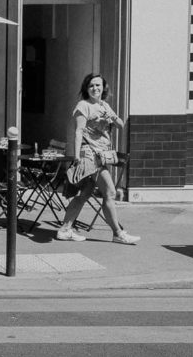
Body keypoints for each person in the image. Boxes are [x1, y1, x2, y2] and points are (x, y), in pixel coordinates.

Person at [56, 73, 139, 245]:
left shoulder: (105, 106)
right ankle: (118, 233)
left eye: (98, 85)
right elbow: (78, 131)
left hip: (101, 155)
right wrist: (77, 155)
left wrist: (112, 117)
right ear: (86, 89)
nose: (95, 88)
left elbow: (121, 125)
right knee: (109, 191)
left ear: (103, 88)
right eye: (91, 85)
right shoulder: (83, 105)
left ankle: (65, 229)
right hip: (90, 155)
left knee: (84, 194)